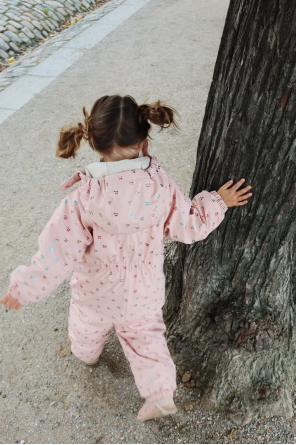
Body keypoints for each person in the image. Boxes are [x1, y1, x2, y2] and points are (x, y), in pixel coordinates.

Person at [0, 95, 252, 421]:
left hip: (96, 292)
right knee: (147, 341)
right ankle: (160, 395)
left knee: (86, 326)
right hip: (142, 291)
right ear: (145, 144)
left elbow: (56, 253)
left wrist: (24, 287)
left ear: (93, 143)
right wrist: (219, 201)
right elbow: (189, 225)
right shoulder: (160, 187)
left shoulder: (83, 199)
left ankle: (88, 355)